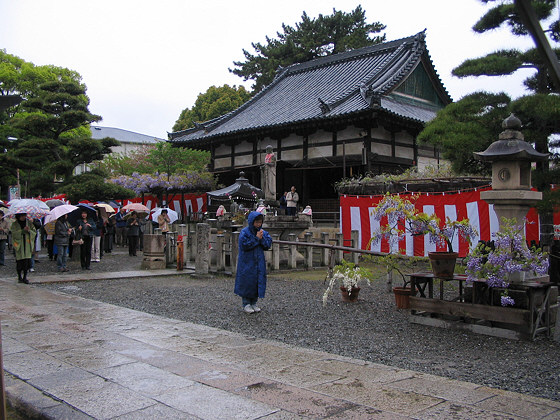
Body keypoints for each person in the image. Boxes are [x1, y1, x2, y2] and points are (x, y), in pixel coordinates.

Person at [234, 211, 272, 314]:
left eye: (260, 222)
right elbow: (244, 245)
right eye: (257, 222)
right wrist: (256, 239)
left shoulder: (262, 232)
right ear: (252, 222)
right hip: (247, 261)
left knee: (257, 281)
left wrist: (262, 238)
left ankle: (254, 302)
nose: (258, 225)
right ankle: (246, 303)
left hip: (258, 261)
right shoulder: (245, 232)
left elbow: (268, 245)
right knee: (247, 281)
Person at [10, 213, 36, 283]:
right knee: (19, 262)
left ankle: (25, 277)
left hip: (27, 244)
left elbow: (34, 232)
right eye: (22, 216)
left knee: (26, 262)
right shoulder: (15, 224)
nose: (24, 217)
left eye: (24, 216)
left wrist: (29, 231)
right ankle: (19, 276)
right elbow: (13, 233)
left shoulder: (29, 223)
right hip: (19, 245)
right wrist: (22, 231)